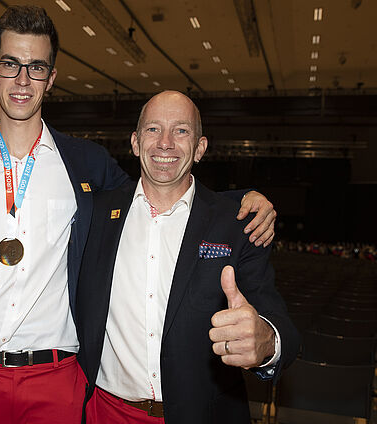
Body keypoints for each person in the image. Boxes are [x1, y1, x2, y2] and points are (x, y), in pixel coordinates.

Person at [0, 6, 277, 423]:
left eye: (36, 67)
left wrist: (245, 196)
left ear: (51, 78)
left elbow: (158, 181)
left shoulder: (87, 163)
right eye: (10, 65)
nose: (22, 80)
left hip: (57, 381)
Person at [76, 91, 300, 424]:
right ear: (135, 142)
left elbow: (278, 322)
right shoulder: (94, 213)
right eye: (153, 129)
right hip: (105, 412)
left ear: (200, 148)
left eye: (180, 131)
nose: (164, 143)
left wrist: (267, 341)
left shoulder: (237, 224)